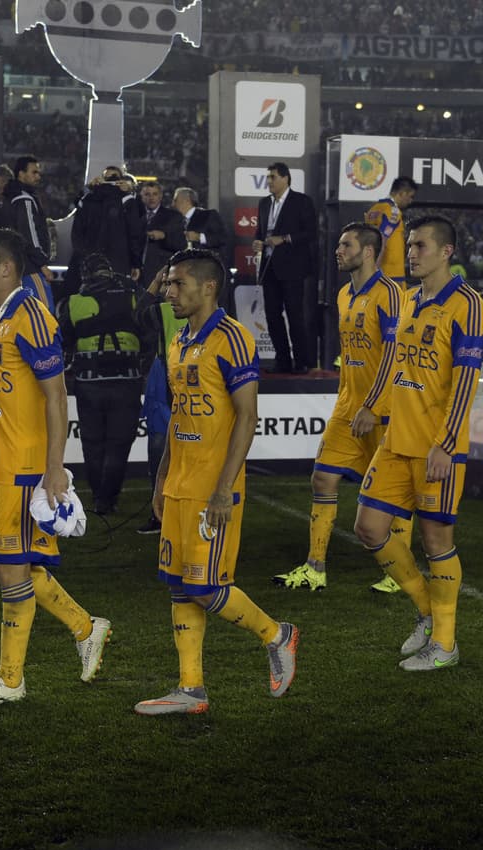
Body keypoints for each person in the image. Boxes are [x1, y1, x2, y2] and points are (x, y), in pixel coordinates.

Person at [136, 248, 298, 715]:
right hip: (178, 485)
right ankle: (191, 689)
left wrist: (225, 487)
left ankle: (277, 634)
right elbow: (178, 417)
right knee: (179, 585)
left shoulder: (233, 338)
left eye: (178, 283)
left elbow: (247, 416)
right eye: (168, 283)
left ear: (209, 287)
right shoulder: (178, 340)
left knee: (206, 588)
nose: (169, 292)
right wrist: (161, 479)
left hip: (213, 489)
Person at [0, 227, 112, 707]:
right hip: (3, 463)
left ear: (6, 268)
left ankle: (10, 679)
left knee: (11, 570)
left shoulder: (32, 316)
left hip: (26, 468)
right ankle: (85, 627)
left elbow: (56, 396)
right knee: (12, 565)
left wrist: (54, 467)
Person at [353, 215, 483, 671]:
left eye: (420, 246)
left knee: (435, 541)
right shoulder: (409, 299)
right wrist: (372, 405)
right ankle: (428, 613)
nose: (410, 253)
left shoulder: (468, 304)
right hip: (396, 440)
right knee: (369, 528)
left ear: (446, 252)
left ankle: (444, 644)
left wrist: (446, 444)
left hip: (436, 446)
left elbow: (466, 380)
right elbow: (393, 363)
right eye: (409, 245)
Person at [272, 223, 410, 594]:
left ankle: (399, 572)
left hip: (384, 410)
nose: (338, 250)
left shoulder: (390, 293)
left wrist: (372, 405)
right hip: (348, 407)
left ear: (368, 252)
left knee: (391, 492)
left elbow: (394, 354)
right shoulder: (344, 294)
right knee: (322, 478)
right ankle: (315, 567)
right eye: (338, 244)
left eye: (346, 245)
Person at [58, 256, 144, 515]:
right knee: (120, 442)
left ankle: (99, 497)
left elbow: (64, 341)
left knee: (93, 442)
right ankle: (108, 498)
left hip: (89, 381)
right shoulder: (132, 296)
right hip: (127, 380)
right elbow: (148, 331)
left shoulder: (74, 302)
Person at [133, 263, 188, 534]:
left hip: (166, 381)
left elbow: (138, 313)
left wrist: (154, 282)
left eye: (171, 284)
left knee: (159, 452)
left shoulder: (163, 310)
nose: (169, 291)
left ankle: (160, 516)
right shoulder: (207, 312)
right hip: (190, 382)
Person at [253, 162, 317, 374]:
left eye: (272, 177)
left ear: (285, 178)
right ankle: (282, 361)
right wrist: (258, 242)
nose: (269, 181)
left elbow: (311, 233)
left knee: (294, 315)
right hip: (269, 267)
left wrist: (285, 238)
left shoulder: (301, 201)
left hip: (293, 267)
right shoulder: (264, 203)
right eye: (268, 177)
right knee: (272, 316)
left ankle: (301, 362)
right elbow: (261, 231)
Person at [65, 166, 143, 295]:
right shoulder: (126, 200)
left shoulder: (87, 199)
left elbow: (76, 235)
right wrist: (136, 263)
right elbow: (135, 234)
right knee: (116, 299)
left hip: (90, 263)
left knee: (89, 298)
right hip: (118, 263)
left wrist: (84, 257)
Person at [0, 155, 56, 310]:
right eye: (34, 172)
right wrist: (42, 264)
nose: (38, 176)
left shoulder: (10, 197)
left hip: (13, 268)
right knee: (44, 312)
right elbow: (29, 234)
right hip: (30, 267)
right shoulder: (24, 199)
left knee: (20, 315)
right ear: (21, 174)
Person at [364, 176, 418, 283]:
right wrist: (374, 272)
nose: (410, 201)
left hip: (375, 270)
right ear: (402, 193)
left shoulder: (373, 210)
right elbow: (382, 239)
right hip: (392, 274)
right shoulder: (393, 211)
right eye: (411, 196)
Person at [137, 181, 185, 286]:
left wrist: (164, 236)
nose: (151, 198)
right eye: (147, 194)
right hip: (137, 274)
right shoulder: (136, 216)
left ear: (160, 196)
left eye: (155, 194)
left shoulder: (173, 216)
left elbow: (181, 244)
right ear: (141, 197)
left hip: (160, 275)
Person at [171, 186, 227, 268]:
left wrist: (199, 237)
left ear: (186, 200)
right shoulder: (175, 222)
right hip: (184, 268)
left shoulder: (208, 215)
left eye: (175, 200)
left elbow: (222, 238)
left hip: (206, 268)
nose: (173, 204)